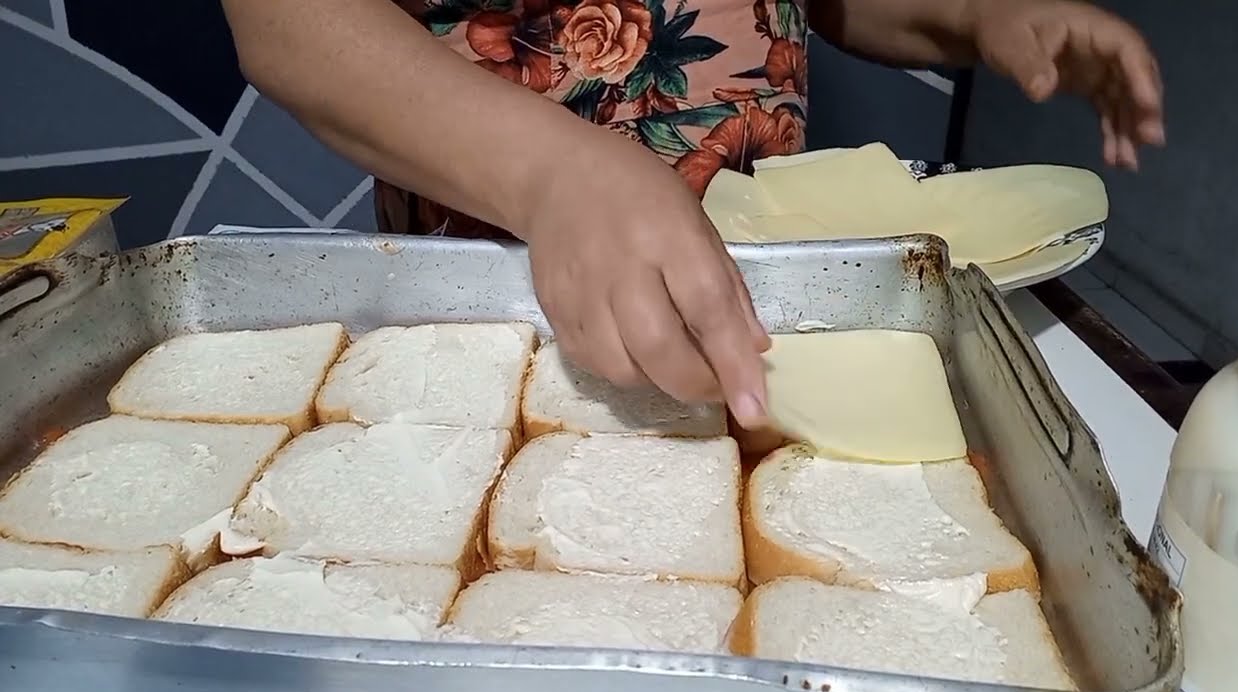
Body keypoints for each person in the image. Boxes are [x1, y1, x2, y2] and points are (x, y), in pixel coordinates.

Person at [221, 0, 1164, 430]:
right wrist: (550, 174)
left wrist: (977, 12)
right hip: (497, 299)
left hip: (772, 297)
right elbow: (289, 22)